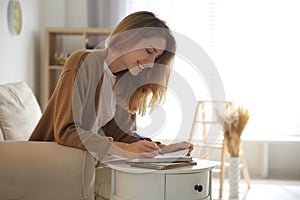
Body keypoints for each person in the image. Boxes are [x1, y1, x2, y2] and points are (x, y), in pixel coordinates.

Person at [29, 11, 193, 199]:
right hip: (55, 163)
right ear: (128, 37)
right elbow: (66, 131)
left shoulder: (125, 81)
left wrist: (160, 149)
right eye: (149, 51)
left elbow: (121, 135)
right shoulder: (83, 61)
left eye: (156, 57)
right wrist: (125, 150)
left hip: (86, 164)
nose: (150, 64)